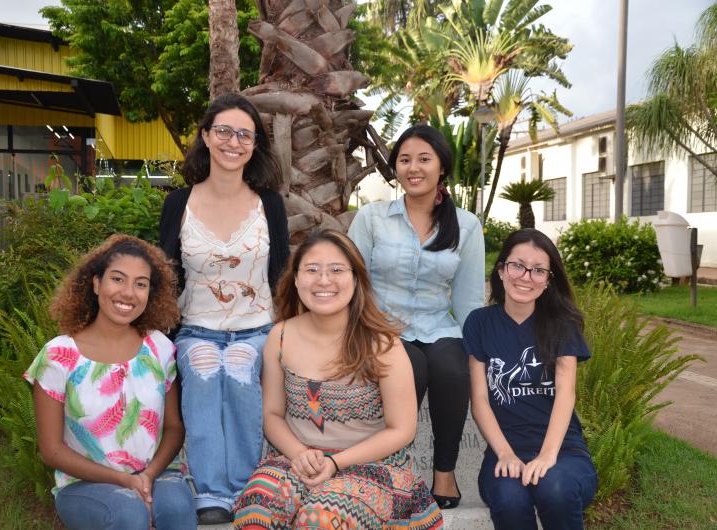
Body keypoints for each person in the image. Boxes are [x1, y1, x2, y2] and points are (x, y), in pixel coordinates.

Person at [233, 229, 443, 529]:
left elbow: (402, 430)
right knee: (256, 512)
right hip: (297, 459)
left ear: (356, 279)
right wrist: (300, 454)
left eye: (336, 270)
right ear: (295, 279)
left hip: (371, 466)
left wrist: (335, 463)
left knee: (319, 520)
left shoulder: (383, 345)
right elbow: (272, 414)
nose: (323, 280)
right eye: (312, 270)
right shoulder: (279, 336)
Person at [158, 93, 289, 524]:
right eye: (225, 131)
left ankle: (246, 487)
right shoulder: (178, 204)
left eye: (245, 135)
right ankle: (210, 491)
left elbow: (281, 273)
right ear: (206, 137)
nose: (234, 142)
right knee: (202, 370)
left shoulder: (269, 204)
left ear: (255, 145)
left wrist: (289, 331)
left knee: (237, 369)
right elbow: (167, 275)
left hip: (257, 329)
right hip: (196, 327)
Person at [348, 123, 485, 508]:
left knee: (451, 368)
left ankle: (445, 472)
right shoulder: (372, 219)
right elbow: (353, 284)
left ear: (442, 166)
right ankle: (395, 470)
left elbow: (470, 298)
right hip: (382, 328)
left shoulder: (467, 225)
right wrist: (364, 331)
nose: (414, 168)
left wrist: (480, 353)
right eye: (404, 160)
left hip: (438, 325)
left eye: (424, 159)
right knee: (412, 368)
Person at [24, 234, 197, 530]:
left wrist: (147, 476)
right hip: (84, 485)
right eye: (118, 279)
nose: (129, 293)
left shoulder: (159, 348)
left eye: (140, 284)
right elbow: (51, 450)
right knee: (128, 515)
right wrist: (123, 480)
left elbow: (174, 428)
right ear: (96, 283)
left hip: (155, 473)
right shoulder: (59, 356)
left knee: (177, 506)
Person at [463, 229, 598, 530]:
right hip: (505, 448)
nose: (526, 276)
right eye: (517, 265)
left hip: (563, 451)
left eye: (538, 270)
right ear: (501, 270)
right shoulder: (479, 323)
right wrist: (505, 453)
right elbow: (480, 400)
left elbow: (566, 394)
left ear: (549, 280)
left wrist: (548, 456)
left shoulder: (562, 325)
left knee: (556, 489)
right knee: (511, 501)